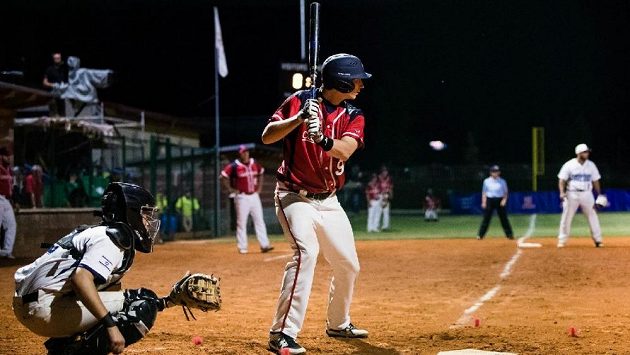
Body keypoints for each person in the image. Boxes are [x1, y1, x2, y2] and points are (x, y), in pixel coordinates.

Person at [261, 53, 371, 354]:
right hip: (294, 196)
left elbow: (345, 150)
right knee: (306, 253)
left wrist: (321, 138)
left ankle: (338, 323)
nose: (361, 84)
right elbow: (268, 136)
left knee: (348, 264)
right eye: (357, 79)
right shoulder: (299, 101)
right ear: (343, 81)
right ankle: (281, 334)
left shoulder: (353, 114)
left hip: (330, 200)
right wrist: (297, 120)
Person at [12, 183, 171, 354]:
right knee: (142, 304)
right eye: (145, 214)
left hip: (31, 303)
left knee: (131, 300)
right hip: (43, 309)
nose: (149, 221)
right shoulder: (110, 239)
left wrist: (166, 302)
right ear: (130, 214)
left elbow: (110, 293)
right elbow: (81, 279)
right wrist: (110, 325)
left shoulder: (98, 232)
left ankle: (62, 347)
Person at [220, 145, 273, 254]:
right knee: (241, 223)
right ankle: (242, 247)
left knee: (259, 220)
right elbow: (223, 176)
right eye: (243, 152)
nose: (245, 154)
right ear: (240, 154)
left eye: (246, 152)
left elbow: (261, 173)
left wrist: (260, 188)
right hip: (242, 197)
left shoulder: (254, 163)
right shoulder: (234, 166)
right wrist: (231, 189)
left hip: (254, 196)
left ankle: (265, 245)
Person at [557, 143, 603, 248]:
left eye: (587, 152)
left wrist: (599, 194)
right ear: (579, 153)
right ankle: (562, 240)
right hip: (571, 193)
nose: (587, 153)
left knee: (593, 216)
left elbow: (595, 180)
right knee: (567, 217)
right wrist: (562, 192)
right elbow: (562, 180)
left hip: (587, 193)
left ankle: (598, 240)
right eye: (585, 152)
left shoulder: (591, 165)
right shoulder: (569, 165)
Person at [477, 165, 514, 240]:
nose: (495, 173)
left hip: (499, 200)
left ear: (499, 172)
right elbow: (484, 192)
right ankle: (480, 235)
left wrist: (504, 200)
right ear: (490, 172)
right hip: (490, 200)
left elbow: (506, 192)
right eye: (493, 171)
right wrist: (483, 202)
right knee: (486, 218)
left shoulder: (502, 181)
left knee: (503, 218)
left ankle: (509, 234)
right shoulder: (486, 181)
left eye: (497, 171)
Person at [0, 147, 17, 259]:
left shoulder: (9, 170)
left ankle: (6, 251)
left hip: (6, 200)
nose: (9, 158)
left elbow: (12, 187)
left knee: (11, 224)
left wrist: (15, 201)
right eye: (7, 156)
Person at [43, 52, 68, 117]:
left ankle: (62, 125)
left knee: (62, 113)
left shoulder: (63, 69)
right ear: (53, 59)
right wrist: (53, 85)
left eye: (58, 58)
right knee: (53, 114)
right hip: (52, 94)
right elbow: (44, 82)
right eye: (56, 58)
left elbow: (67, 80)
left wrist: (65, 86)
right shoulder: (49, 69)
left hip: (61, 94)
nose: (57, 60)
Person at [377, 165, 393, 231]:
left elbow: (391, 187)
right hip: (379, 195)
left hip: (386, 195)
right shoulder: (378, 178)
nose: (385, 172)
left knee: (386, 212)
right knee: (378, 212)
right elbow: (375, 187)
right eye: (384, 171)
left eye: (386, 171)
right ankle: (376, 226)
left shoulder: (389, 178)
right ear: (381, 171)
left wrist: (391, 195)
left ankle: (385, 227)